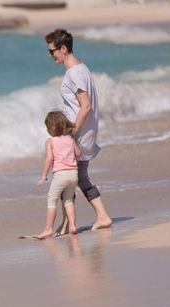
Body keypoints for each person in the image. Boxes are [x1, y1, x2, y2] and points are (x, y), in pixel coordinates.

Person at [45, 28, 112, 231]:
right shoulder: (81, 68)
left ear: (63, 48)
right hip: (84, 130)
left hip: (79, 132)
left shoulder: (75, 73)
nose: (51, 55)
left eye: (52, 51)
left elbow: (86, 105)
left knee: (69, 177)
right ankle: (86, 218)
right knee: (76, 177)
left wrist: (72, 130)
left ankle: (80, 220)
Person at [34, 111, 81, 240]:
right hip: (73, 174)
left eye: (48, 127)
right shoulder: (70, 139)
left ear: (52, 128)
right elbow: (78, 153)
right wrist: (73, 139)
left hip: (60, 175)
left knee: (51, 200)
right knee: (68, 200)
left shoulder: (50, 142)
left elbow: (49, 159)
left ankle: (48, 229)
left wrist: (43, 176)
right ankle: (72, 225)